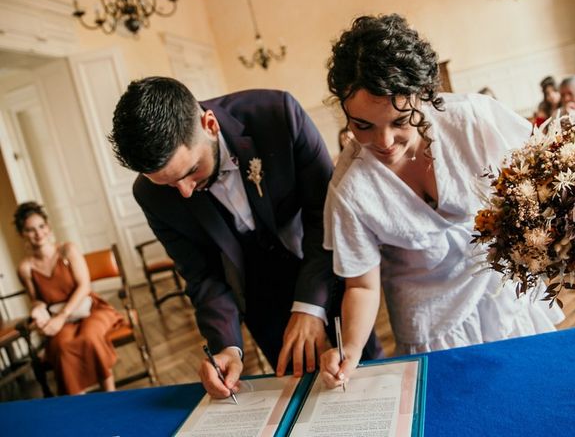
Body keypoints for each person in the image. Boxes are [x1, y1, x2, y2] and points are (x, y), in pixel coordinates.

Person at [319, 14, 564, 389]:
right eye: (362, 126)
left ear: (422, 94)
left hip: (503, 295)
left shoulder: (473, 120)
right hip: (432, 324)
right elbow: (363, 286)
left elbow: (546, 183)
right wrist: (350, 348)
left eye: (400, 121)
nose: (383, 142)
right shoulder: (350, 189)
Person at [109, 77, 379, 400]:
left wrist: (310, 304)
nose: (184, 191)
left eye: (190, 170)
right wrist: (226, 347)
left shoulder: (277, 114)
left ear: (209, 125)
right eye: (168, 184)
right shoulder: (150, 195)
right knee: (301, 395)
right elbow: (201, 274)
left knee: (364, 377)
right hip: (257, 294)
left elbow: (325, 215)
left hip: (324, 268)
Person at [14, 202, 123, 395]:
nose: (38, 233)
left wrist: (61, 316)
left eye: (41, 226)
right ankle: (77, 405)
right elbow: (37, 299)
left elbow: (84, 286)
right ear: (22, 234)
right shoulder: (25, 267)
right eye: (30, 230)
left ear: (48, 227)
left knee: (90, 338)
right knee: (62, 348)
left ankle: (110, 395)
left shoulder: (67, 250)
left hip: (90, 309)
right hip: (59, 319)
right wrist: (37, 310)